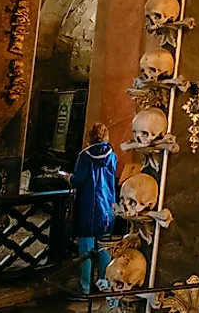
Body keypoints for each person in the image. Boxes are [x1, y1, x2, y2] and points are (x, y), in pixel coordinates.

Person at [72, 123, 118, 294]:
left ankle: (84, 287)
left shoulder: (85, 156)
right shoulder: (112, 156)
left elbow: (79, 180)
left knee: (85, 249)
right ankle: (104, 284)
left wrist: (69, 178)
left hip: (88, 206)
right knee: (104, 248)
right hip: (106, 206)